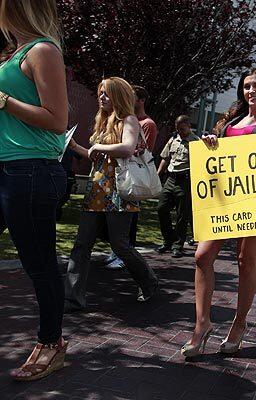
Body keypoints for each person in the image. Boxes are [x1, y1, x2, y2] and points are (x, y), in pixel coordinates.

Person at [181, 68, 256, 357]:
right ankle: (202, 325)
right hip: (223, 201)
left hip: (254, 203)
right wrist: (210, 145)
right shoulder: (229, 122)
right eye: (246, 87)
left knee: (245, 260)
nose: (250, 91)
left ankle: (238, 325)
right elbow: (214, 157)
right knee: (202, 256)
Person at [0, 0, 68, 381]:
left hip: (30, 172)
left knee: (39, 264)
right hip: (6, 168)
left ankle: (51, 342)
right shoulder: (11, 53)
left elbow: (57, 120)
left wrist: (5, 101)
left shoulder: (42, 50)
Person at [64, 77, 159, 312]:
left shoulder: (129, 120)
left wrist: (99, 147)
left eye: (106, 93)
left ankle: (148, 280)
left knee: (119, 245)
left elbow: (127, 147)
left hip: (120, 191)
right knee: (81, 245)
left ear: (118, 96)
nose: (101, 97)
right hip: (96, 191)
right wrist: (74, 146)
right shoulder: (102, 122)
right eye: (100, 93)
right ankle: (73, 299)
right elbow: (96, 157)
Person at [105, 84, 158, 269]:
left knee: (130, 217)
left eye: (132, 96)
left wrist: (122, 148)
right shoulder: (124, 119)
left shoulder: (146, 123)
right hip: (118, 174)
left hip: (132, 174)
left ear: (141, 101)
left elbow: (143, 151)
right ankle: (118, 251)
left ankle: (126, 254)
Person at [155, 115, 199, 258]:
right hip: (170, 179)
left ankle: (177, 245)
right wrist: (157, 174)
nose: (179, 131)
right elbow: (165, 158)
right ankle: (168, 239)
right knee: (161, 208)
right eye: (177, 129)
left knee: (182, 215)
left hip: (185, 181)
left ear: (188, 126)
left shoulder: (196, 142)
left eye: (182, 129)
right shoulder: (173, 139)